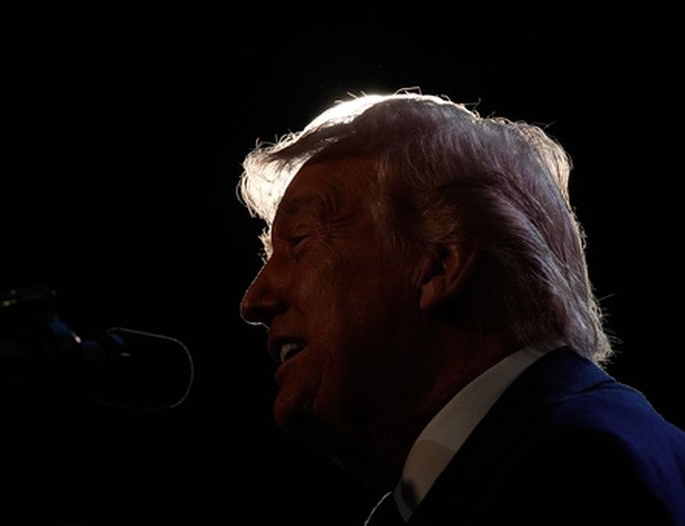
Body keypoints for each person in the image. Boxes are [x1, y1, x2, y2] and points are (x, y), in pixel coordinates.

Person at [238, 92, 685, 525]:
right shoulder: (530, 459)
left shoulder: (578, 473)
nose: (254, 302)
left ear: (440, 265)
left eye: (299, 242)